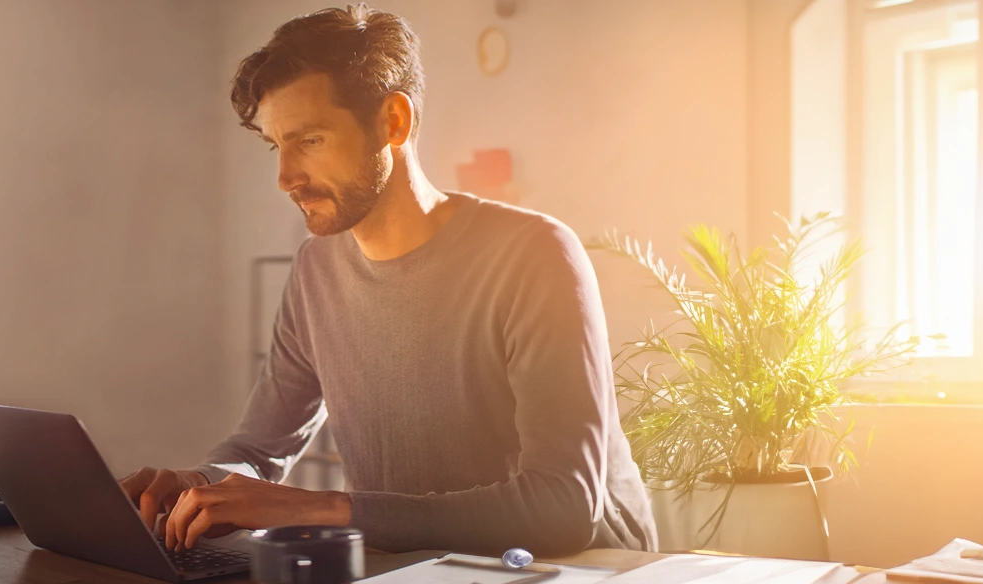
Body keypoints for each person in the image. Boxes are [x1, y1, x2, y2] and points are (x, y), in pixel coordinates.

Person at [120, 3, 656, 557]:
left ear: (394, 122)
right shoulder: (315, 272)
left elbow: (562, 507)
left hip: (575, 569)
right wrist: (200, 488)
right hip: (416, 569)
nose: (285, 178)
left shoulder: (536, 256)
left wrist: (320, 509)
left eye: (309, 141)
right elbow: (257, 448)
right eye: (276, 146)